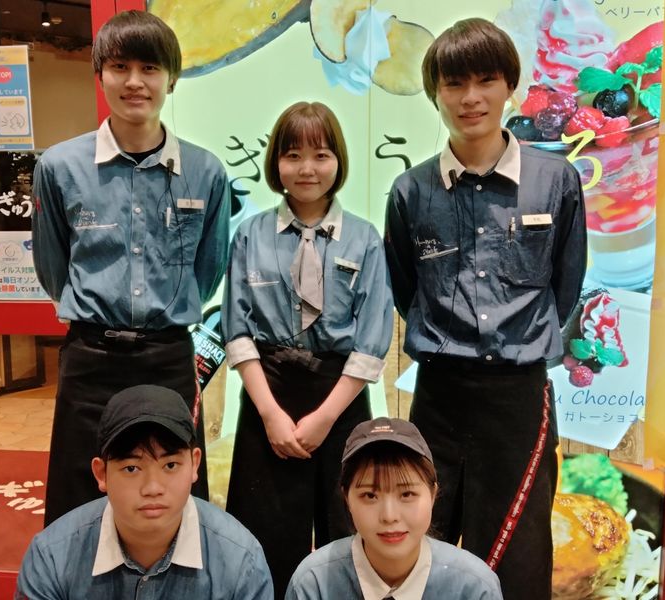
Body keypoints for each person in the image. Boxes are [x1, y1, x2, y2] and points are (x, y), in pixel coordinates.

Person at [384, 18, 586, 600]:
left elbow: (565, 286)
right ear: (435, 94)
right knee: (420, 545)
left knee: (518, 553)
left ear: (509, 87)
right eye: (454, 83)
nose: (470, 98)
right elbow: (406, 289)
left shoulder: (556, 181)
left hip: (519, 396)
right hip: (438, 394)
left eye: (485, 80)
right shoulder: (411, 192)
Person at [32, 10, 229, 524]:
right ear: (100, 75)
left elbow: (208, 272)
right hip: (90, 359)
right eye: (120, 67)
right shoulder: (59, 167)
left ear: (172, 79)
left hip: (168, 359)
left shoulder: (206, 172)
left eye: (150, 68)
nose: (135, 81)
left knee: (172, 497)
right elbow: (53, 268)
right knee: (79, 500)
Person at [221, 101, 394, 598]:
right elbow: (237, 331)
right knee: (264, 532)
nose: (306, 169)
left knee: (346, 533)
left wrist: (325, 418)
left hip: (339, 398)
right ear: (275, 161)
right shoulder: (251, 235)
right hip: (268, 395)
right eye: (293, 155)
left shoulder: (364, 238)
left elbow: (371, 340)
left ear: (338, 160)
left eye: (320, 155)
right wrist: (270, 414)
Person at [15, 385, 273, 600]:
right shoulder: (52, 557)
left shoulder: (241, 561)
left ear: (195, 464)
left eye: (170, 466)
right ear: (101, 474)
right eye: (131, 468)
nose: (152, 488)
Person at [285, 417, 503, 599]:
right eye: (370, 495)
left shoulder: (475, 588)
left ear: (433, 494)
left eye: (407, 494)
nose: (389, 516)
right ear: (347, 499)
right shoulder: (314, 584)